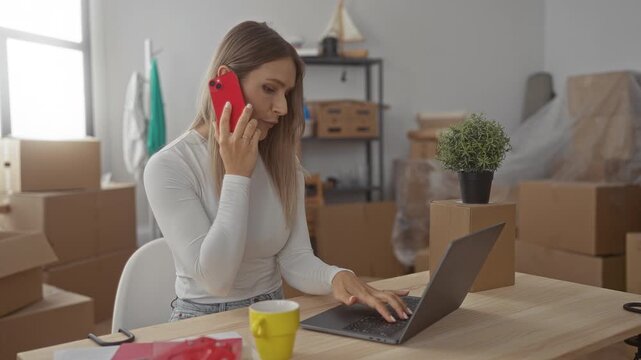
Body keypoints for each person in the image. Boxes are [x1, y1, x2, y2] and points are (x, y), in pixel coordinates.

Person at [144, 21, 410, 323]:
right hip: (202, 320)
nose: (282, 107)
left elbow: (295, 259)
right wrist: (237, 176)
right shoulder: (169, 166)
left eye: (287, 93)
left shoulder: (284, 163)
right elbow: (216, 280)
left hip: (275, 310)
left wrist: (339, 278)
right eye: (269, 89)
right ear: (225, 81)